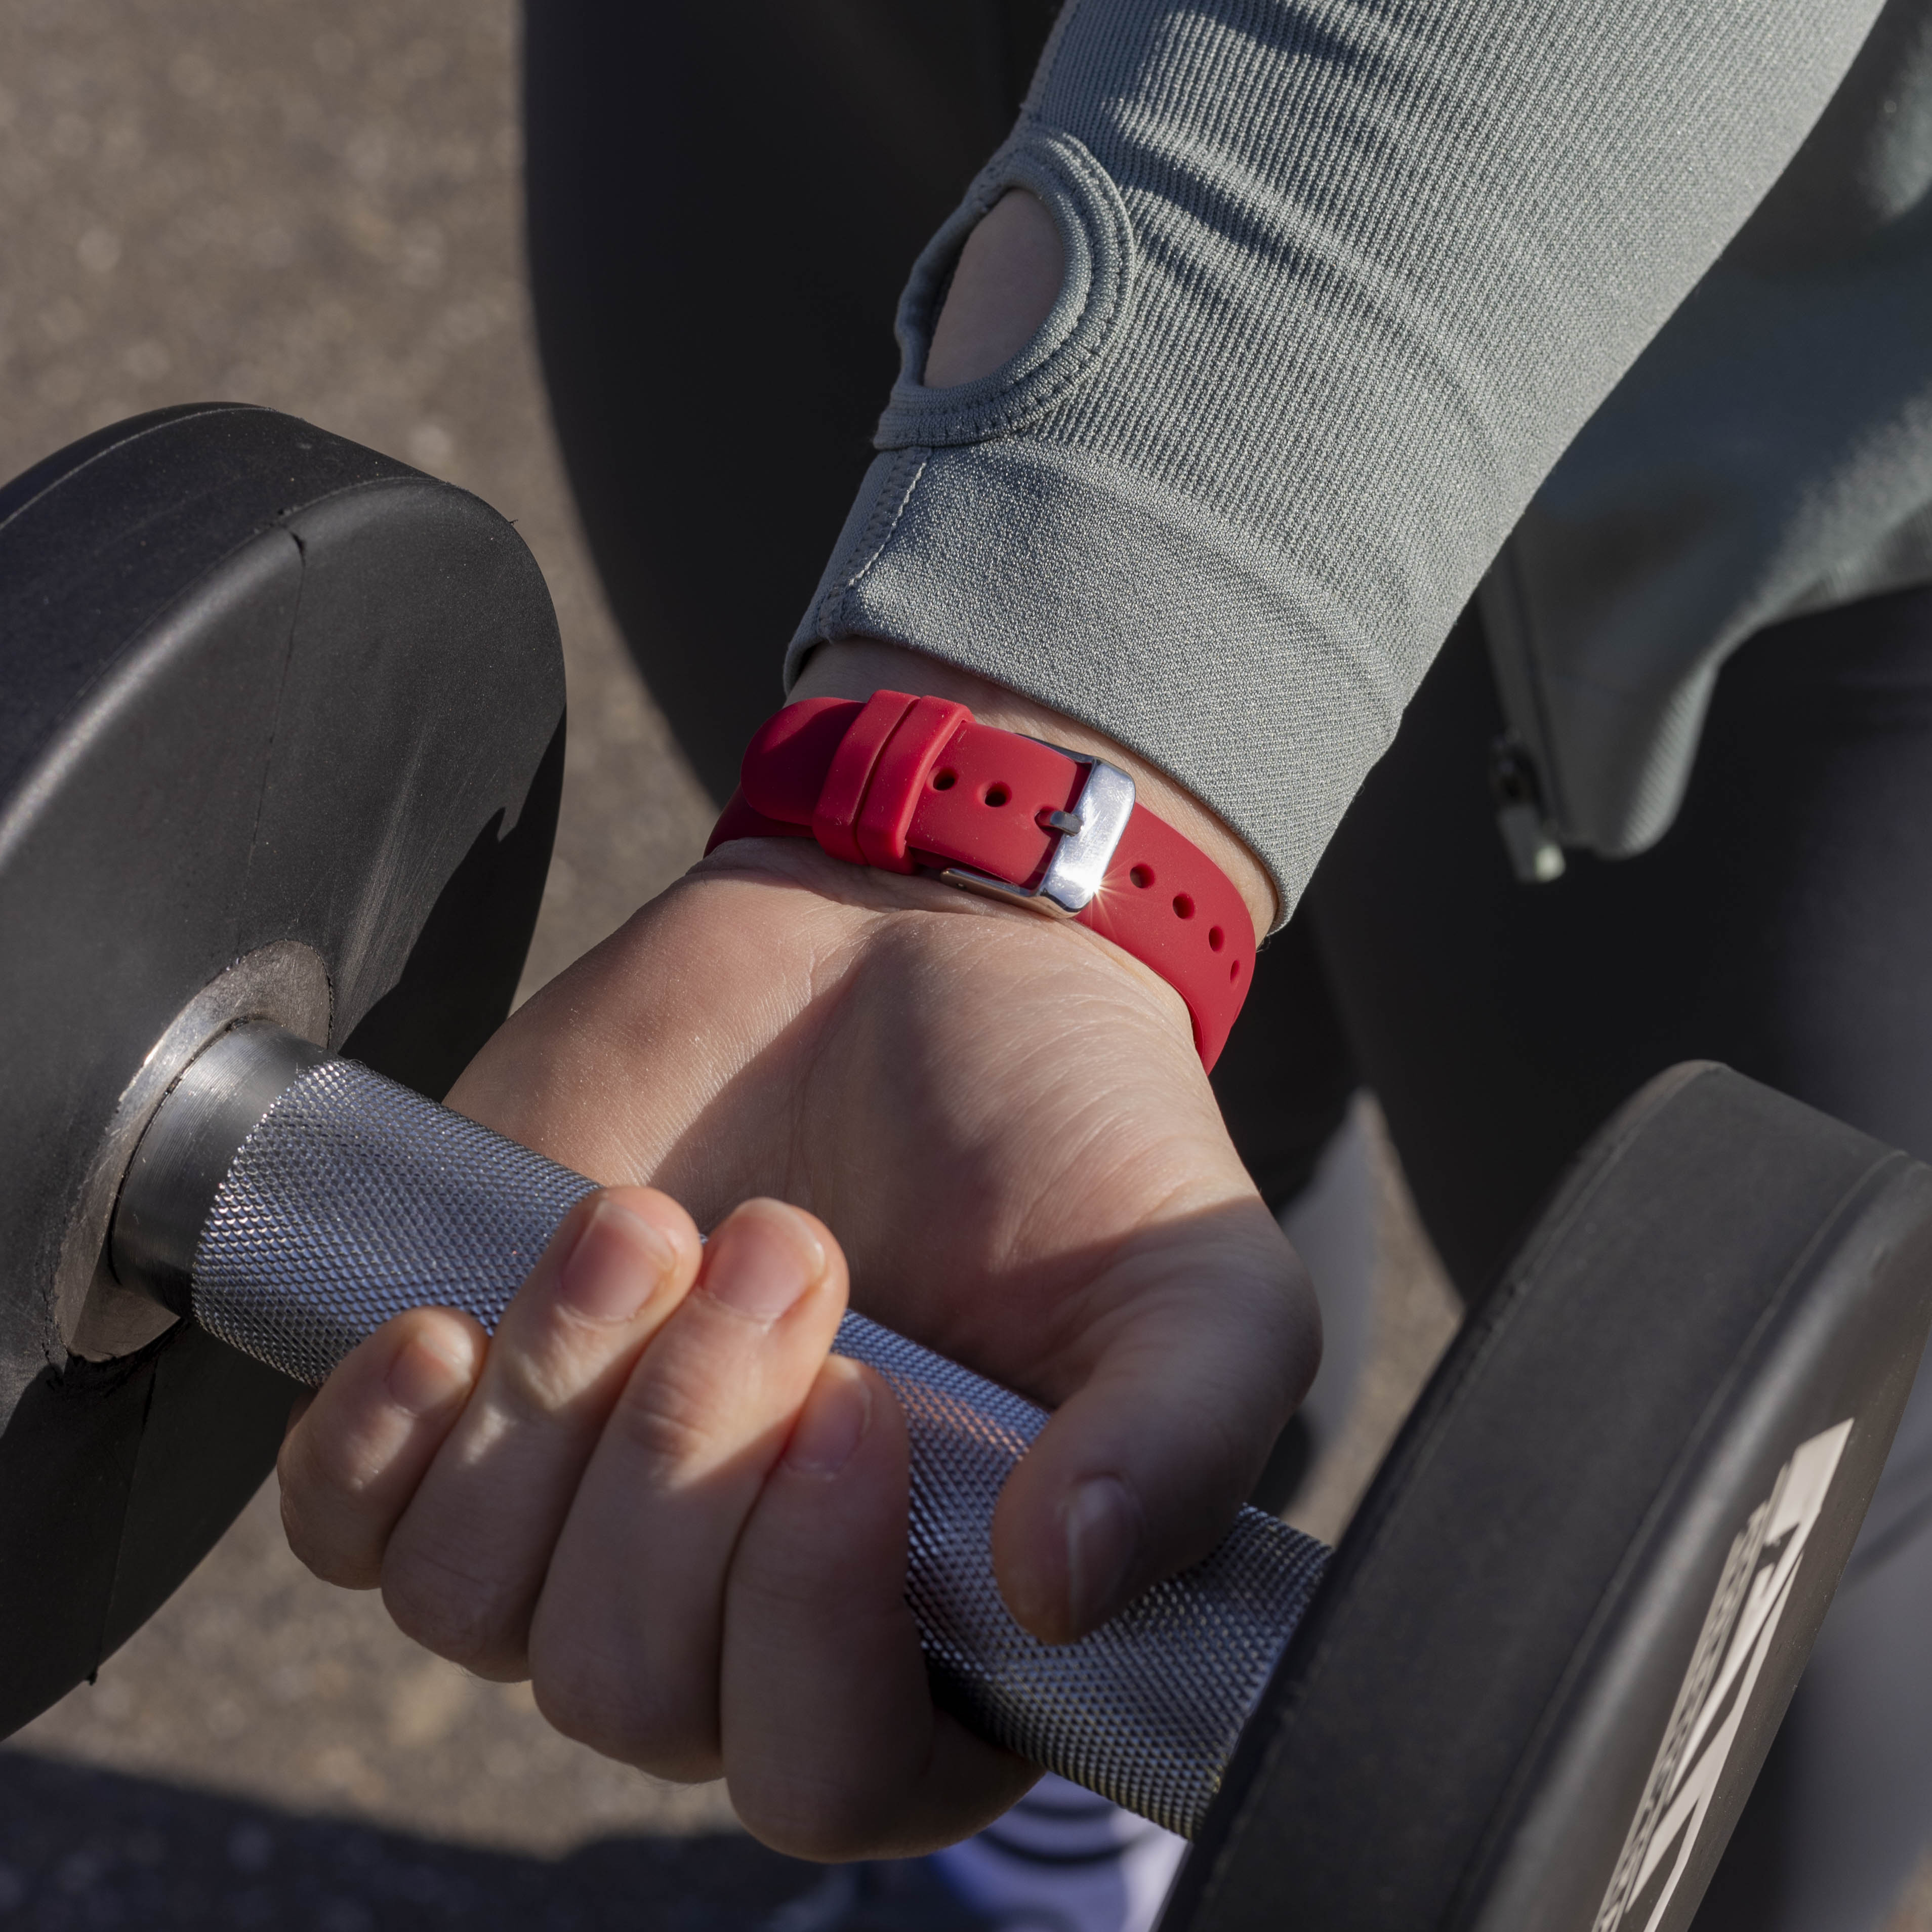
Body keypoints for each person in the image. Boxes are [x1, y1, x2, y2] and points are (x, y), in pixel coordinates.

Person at [280, 0, 1932, 1924]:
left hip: (1770, 391)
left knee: (1726, 1494)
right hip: (810, 114)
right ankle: (1060, 1855)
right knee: (1050, 1224)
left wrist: (1055, 726)